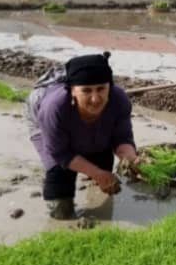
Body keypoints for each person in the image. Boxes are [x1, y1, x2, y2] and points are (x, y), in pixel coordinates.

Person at [28, 51, 141, 220]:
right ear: (72, 90)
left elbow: (121, 138)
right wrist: (97, 173)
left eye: (101, 89)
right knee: (60, 201)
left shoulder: (119, 100)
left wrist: (132, 160)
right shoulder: (54, 108)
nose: (95, 98)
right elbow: (60, 153)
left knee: (102, 163)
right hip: (47, 125)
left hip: (96, 129)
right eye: (86, 91)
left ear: (109, 87)